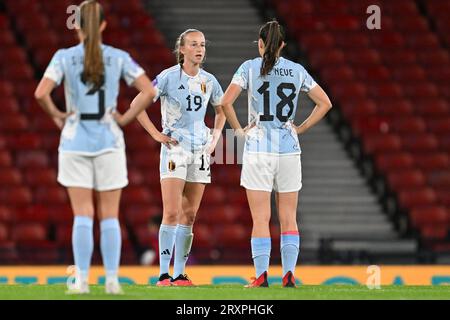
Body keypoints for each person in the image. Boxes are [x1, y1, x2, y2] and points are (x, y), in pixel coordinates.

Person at [34, 0, 156, 294]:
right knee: (110, 215)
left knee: (83, 215)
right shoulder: (118, 57)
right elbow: (149, 91)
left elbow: (41, 93)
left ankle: (83, 280)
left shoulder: (64, 57)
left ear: (77, 26)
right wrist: (125, 118)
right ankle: (112, 280)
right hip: (109, 139)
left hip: (75, 141)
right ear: (103, 25)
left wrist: (57, 116)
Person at [221, 21, 332, 287]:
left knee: (260, 218)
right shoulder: (296, 70)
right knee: (289, 217)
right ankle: (289, 273)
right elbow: (325, 103)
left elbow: (225, 101)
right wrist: (301, 128)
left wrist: (238, 131)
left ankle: (261, 276)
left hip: (258, 148)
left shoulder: (248, 68)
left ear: (260, 43)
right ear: (282, 44)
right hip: (289, 150)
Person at [130, 29, 226, 286]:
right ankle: (163, 273)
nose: (200, 49)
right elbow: (136, 105)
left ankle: (180, 273)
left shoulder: (210, 81)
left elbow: (222, 110)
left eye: (203, 44)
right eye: (194, 44)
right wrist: (156, 134)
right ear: (181, 49)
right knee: (171, 212)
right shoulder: (168, 78)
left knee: (190, 215)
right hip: (176, 150)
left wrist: (215, 136)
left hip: (201, 151)